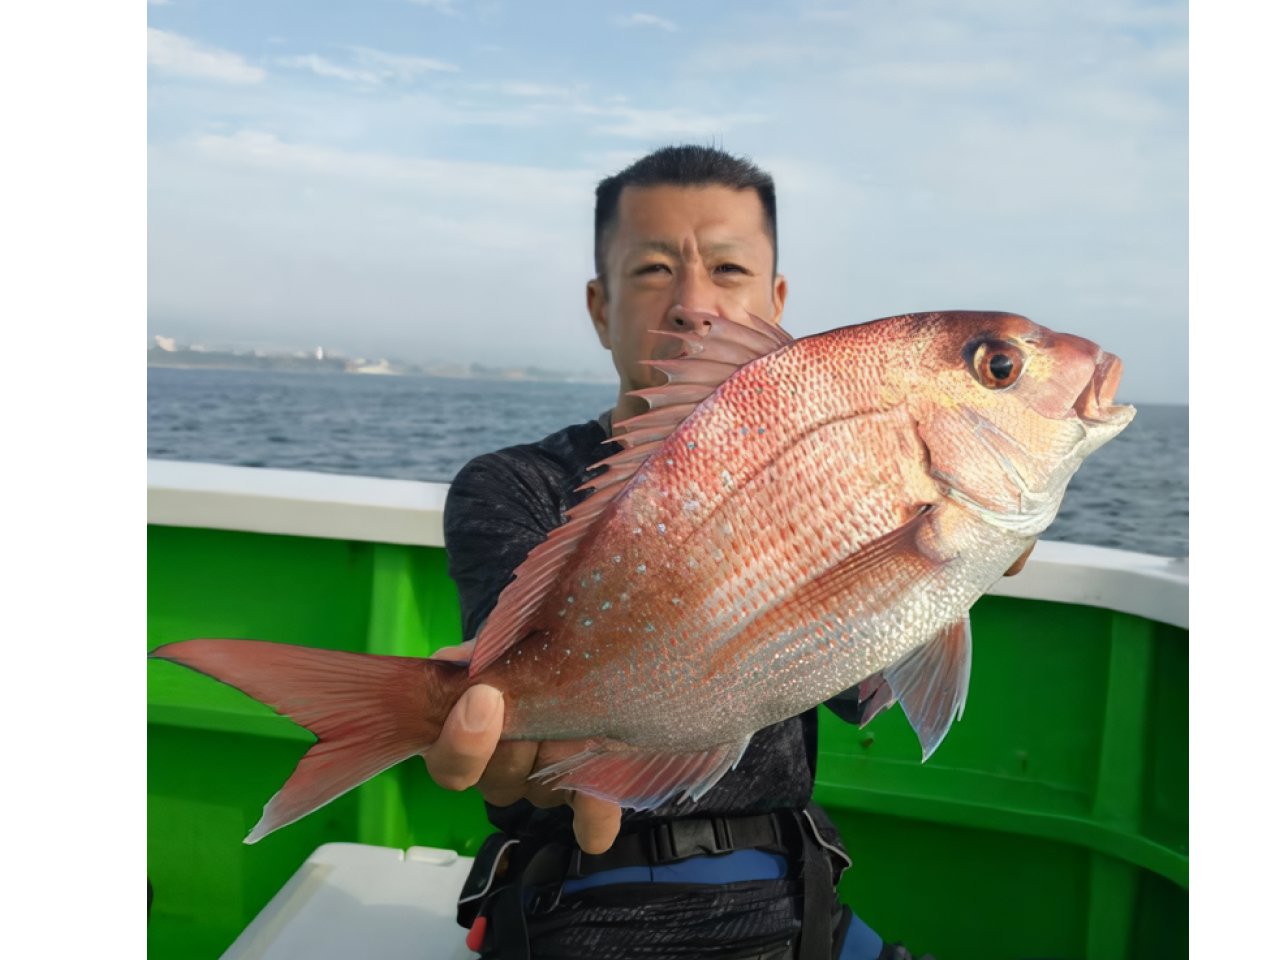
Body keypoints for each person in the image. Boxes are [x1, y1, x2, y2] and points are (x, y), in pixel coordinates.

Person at [429, 145, 1033, 960]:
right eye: (650, 270)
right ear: (599, 307)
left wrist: (952, 565)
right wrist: (486, 713)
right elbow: (518, 697)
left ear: (776, 302)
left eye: (727, 268)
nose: (691, 303)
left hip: (794, 892)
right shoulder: (513, 484)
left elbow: (858, 687)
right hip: (580, 891)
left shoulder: (835, 465)